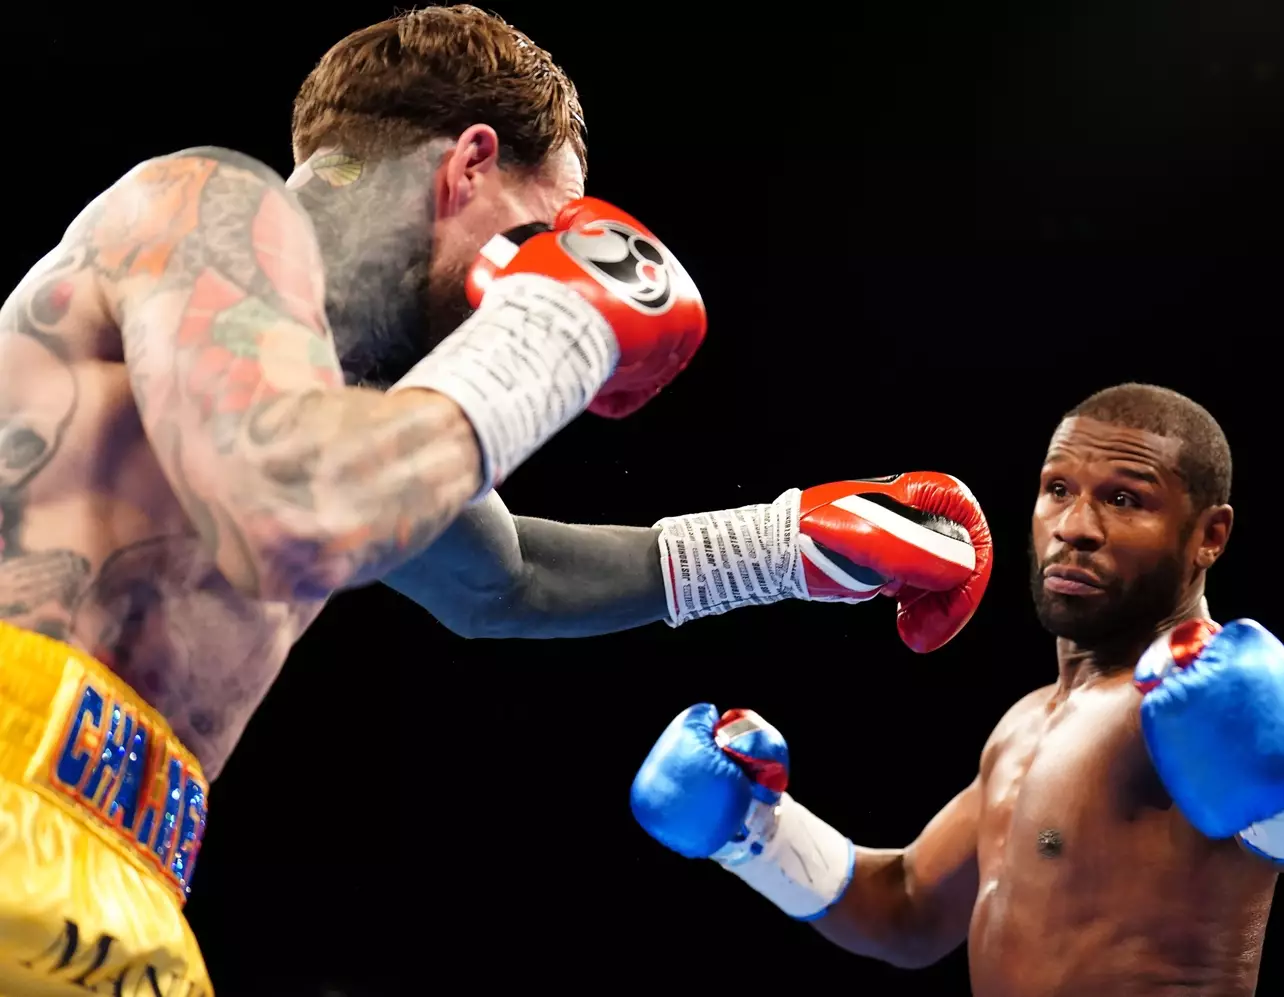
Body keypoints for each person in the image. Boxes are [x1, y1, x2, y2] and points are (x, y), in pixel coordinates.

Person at [0, 6, 992, 995]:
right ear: (468, 163)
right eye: (542, 229)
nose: (528, 276)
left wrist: (785, 546)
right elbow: (284, 509)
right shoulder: (207, 203)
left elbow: (502, 580)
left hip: (127, 875)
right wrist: (555, 329)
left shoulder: (344, 406)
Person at [631, 383, 1284, 997]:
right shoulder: (1027, 722)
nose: (1074, 527)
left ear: (1209, 535)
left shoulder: (1212, 696)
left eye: (1125, 499)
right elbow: (909, 908)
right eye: (1058, 490)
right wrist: (753, 832)